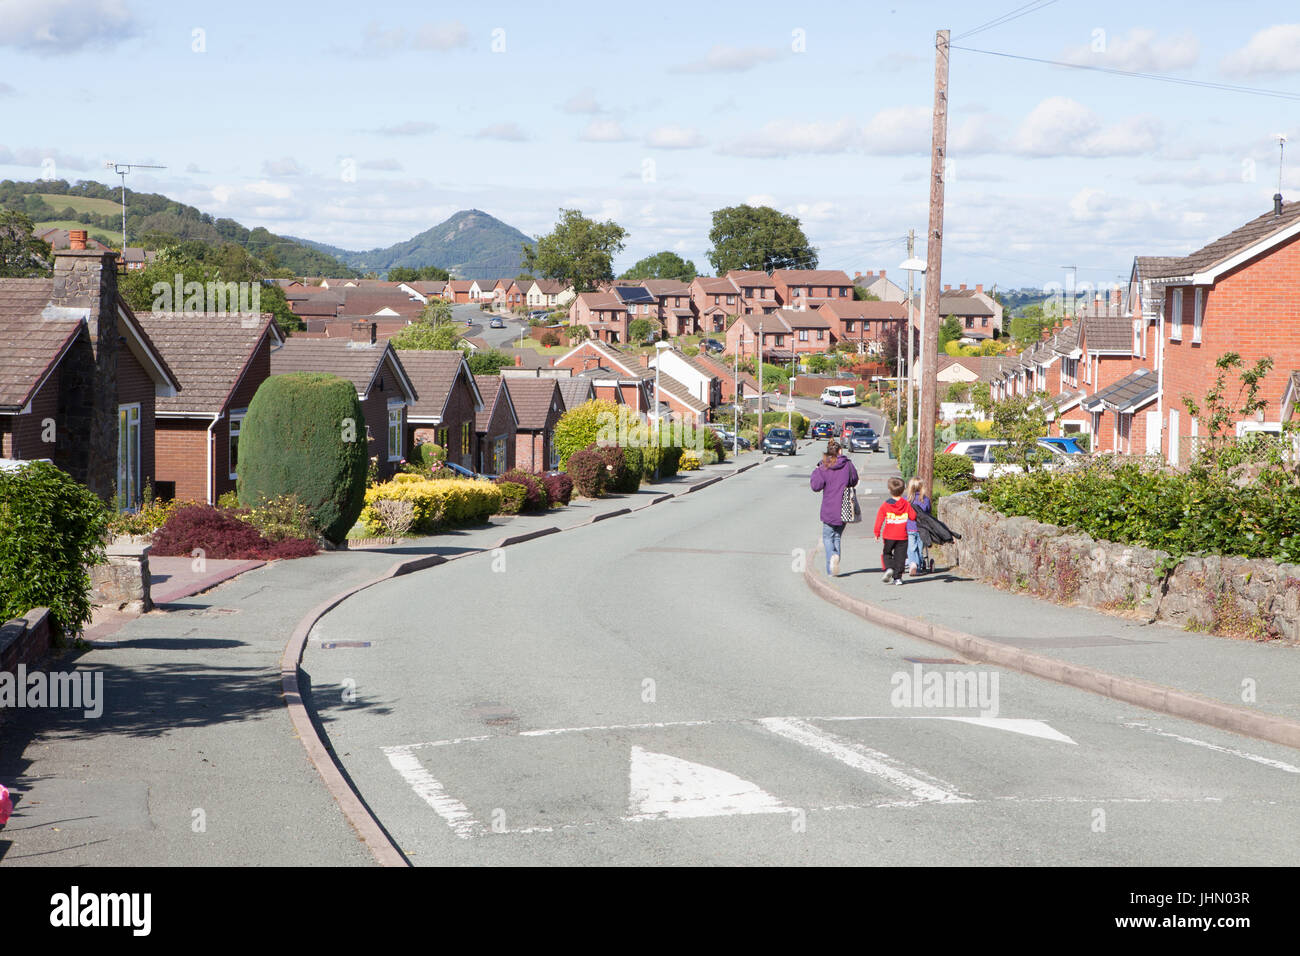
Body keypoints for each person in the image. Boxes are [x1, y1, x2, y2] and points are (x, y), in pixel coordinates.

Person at [809, 439, 858, 577]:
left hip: (829, 508)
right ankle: (835, 560)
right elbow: (854, 480)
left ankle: (832, 563)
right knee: (836, 537)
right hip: (845, 508)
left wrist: (817, 470)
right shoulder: (848, 464)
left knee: (827, 537)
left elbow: (815, 486)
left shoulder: (824, 466)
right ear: (840, 451)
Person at [874, 476, 916, 585]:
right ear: (903, 491)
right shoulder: (906, 504)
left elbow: (879, 519)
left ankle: (889, 568)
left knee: (887, 553)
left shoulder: (886, 505)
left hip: (889, 535)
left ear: (889, 490)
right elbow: (913, 516)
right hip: (902, 536)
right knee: (900, 557)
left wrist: (877, 532)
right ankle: (897, 578)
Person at [905, 477, 931, 575]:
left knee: (911, 548)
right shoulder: (925, 500)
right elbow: (928, 513)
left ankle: (913, 564)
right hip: (922, 529)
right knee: (920, 549)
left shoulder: (907, 501)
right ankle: (918, 566)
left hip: (910, 528)